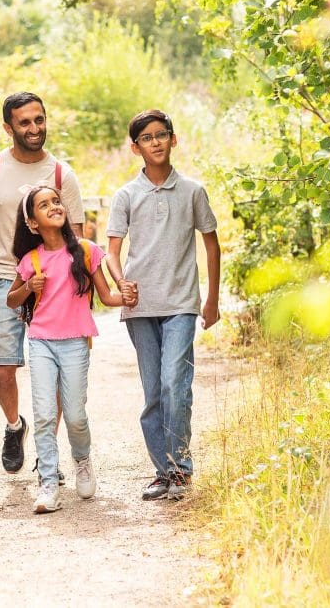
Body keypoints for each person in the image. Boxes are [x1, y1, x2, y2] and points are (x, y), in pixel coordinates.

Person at [0, 92, 85, 474]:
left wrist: (83, 290)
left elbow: (76, 238)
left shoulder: (63, 174)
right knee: (3, 368)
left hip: (54, 284)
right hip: (3, 278)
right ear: (8, 127)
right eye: (25, 122)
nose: (34, 128)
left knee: (57, 371)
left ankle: (47, 453)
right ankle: (15, 426)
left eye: (39, 120)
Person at [105, 109, 221, 501]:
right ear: (135, 147)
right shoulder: (126, 195)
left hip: (182, 302)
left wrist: (212, 300)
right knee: (154, 391)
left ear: (174, 139)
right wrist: (121, 284)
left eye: (161, 135)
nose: (155, 142)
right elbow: (112, 252)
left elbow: (211, 243)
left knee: (176, 384)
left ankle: (180, 469)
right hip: (140, 307)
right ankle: (163, 471)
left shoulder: (192, 191)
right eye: (146, 138)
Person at [6, 186, 133, 512]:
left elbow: (107, 297)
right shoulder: (30, 260)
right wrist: (28, 287)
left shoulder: (87, 251)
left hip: (76, 342)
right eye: (43, 205)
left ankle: (82, 460)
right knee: (45, 415)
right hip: (41, 342)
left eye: (56, 201)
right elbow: (11, 299)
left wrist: (129, 297)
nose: (53, 207)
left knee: (75, 415)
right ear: (33, 223)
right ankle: (48, 483)